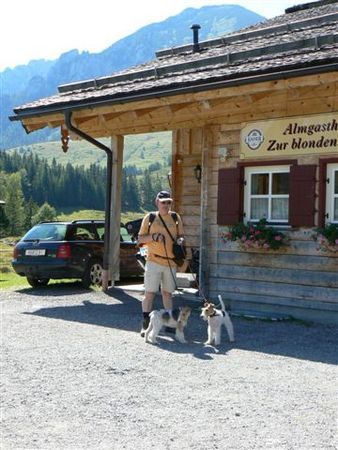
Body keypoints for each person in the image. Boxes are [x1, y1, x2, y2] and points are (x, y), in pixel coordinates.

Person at [138, 190, 185, 337]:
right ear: (157, 202)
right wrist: (153, 236)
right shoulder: (150, 217)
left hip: (170, 262)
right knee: (149, 293)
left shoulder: (176, 217)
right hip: (153, 260)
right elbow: (140, 239)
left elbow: (181, 236)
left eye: (168, 202)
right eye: (163, 202)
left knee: (167, 294)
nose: (166, 205)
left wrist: (181, 241)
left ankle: (170, 323)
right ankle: (145, 325)